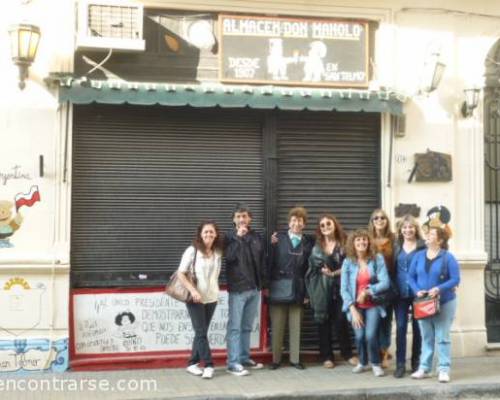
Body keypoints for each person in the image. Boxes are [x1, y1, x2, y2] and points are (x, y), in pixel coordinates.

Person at [408, 226, 460, 383]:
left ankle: (443, 369)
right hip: (423, 302)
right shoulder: (418, 256)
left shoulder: (448, 257)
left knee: (443, 336)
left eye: (432, 234)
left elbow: (455, 279)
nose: (428, 236)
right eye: (428, 234)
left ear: (440, 240)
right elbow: (410, 277)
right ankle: (424, 368)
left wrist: (439, 288)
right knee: (426, 337)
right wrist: (417, 290)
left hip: (444, 302)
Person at [306, 214, 358, 369]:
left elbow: (352, 265)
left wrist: (334, 273)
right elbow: (311, 268)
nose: (326, 227)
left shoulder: (345, 243)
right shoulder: (317, 247)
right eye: (322, 225)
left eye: (328, 223)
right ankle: (327, 356)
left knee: (341, 321)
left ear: (335, 225)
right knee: (323, 321)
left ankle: (347, 353)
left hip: (341, 287)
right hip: (322, 289)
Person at [268, 206, 314, 370]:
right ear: (289, 222)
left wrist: (308, 292)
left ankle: (295, 359)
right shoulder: (277, 239)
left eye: (300, 220)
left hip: (299, 288)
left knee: (296, 325)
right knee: (277, 324)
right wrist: (267, 286)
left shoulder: (309, 241)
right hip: (278, 286)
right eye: (293, 220)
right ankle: (276, 360)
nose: (296, 223)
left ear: (304, 224)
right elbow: (269, 263)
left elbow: (311, 268)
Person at [177, 220, 223, 379]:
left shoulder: (217, 252)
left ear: (216, 234)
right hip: (195, 298)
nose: (209, 234)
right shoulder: (192, 251)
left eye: (211, 232)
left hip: (212, 297)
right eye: (206, 232)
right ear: (200, 234)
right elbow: (180, 273)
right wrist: (192, 290)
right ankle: (209, 365)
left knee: (200, 332)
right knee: (201, 332)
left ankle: (192, 363)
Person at [340, 228, 390, 377]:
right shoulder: (348, 262)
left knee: (370, 335)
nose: (361, 242)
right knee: (360, 336)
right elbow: (344, 289)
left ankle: (375, 363)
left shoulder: (377, 258)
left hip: (373, 304)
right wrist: (352, 309)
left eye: (364, 239)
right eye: (358, 240)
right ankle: (362, 362)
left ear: (368, 242)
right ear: (353, 244)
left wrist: (367, 291)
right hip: (355, 307)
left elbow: (385, 282)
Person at [225, 203, 266, 376]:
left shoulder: (256, 236)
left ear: (250, 219)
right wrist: (239, 238)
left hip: (254, 288)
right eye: (238, 216)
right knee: (235, 326)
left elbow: (262, 259)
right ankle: (232, 363)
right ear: (234, 219)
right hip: (238, 289)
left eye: (245, 216)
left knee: (247, 326)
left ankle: (244, 357)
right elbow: (229, 258)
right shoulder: (228, 237)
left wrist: (263, 285)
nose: (242, 219)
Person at [393, 215, 425, 378]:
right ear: (400, 230)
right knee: (400, 327)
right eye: (404, 227)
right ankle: (400, 364)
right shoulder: (396, 246)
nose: (408, 230)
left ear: (415, 229)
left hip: (418, 293)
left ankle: (416, 362)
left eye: (411, 227)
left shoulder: (422, 246)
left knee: (418, 328)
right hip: (399, 293)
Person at [368, 208, 396, 368]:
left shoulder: (394, 239)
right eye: (376, 218)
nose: (379, 220)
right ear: (372, 221)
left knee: (385, 321)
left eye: (382, 218)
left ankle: (384, 353)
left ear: (387, 221)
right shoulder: (367, 239)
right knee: (372, 322)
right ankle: (373, 355)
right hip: (371, 287)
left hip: (389, 287)